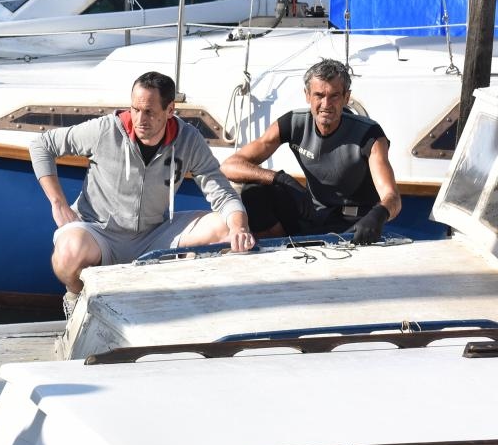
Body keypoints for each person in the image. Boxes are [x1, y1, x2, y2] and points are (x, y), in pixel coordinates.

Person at [31, 70, 254, 313]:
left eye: (149, 112)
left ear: (170, 110)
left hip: (155, 232)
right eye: (135, 109)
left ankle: (190, 305)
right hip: (99, 232)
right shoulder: (105, 130)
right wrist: (58, 202)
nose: (140, 119)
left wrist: (239, 228)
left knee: (224, 228)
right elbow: (42, 145)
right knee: (68, 255)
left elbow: (222, 192)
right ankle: (75, 299)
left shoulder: (189, 139)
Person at [221, 58, 400, 244]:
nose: (326, 104)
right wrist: (281, 179)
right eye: (319, 95)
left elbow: (392, 197)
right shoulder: (292, 123)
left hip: (353, 222)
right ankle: (274, 244)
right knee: (253, 190)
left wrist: (378, 214)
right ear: (307, 95)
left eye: (334, 96)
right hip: (311, 213)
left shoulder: (370, 135)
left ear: (347, 97)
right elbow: (229, 166)